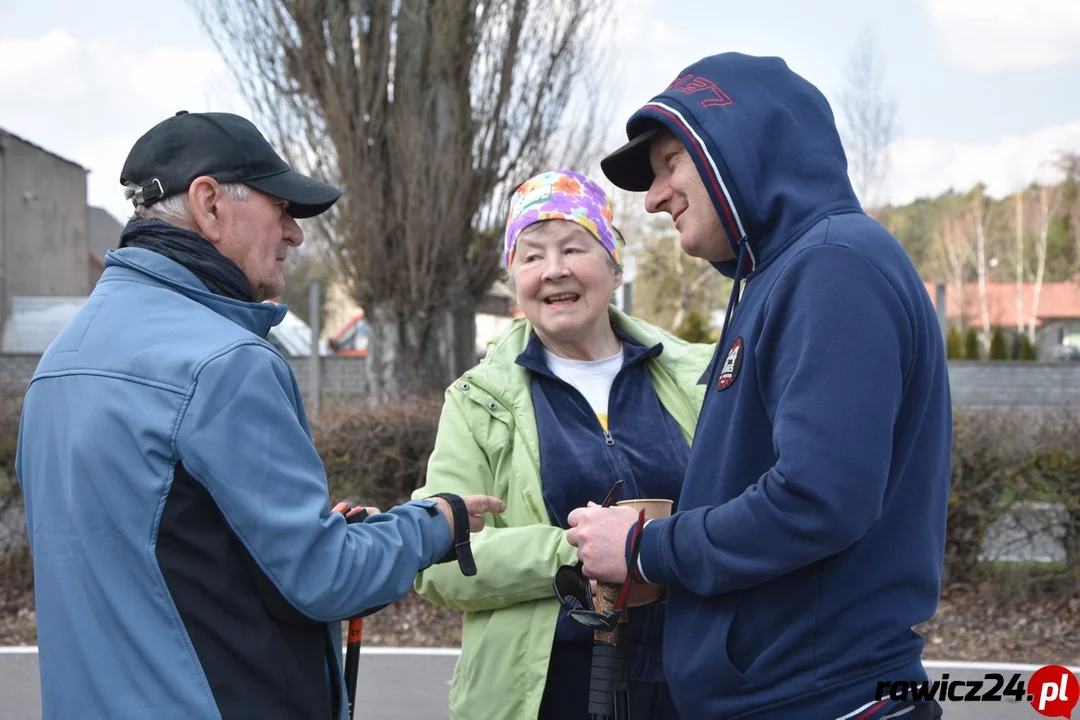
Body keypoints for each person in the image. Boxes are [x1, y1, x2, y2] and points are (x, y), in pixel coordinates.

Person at [15, 110, 504, 720]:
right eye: (282, 208)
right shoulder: (226, 362)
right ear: (209, 204)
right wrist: (436, 522)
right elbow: (326, 577)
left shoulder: (60, 362)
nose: (295, 234)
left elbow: (153, 557)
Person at [566, 53, 951, 720]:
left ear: (742, 146)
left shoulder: (832, 267)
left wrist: (644, 549)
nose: (653, 197)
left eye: (670, 163)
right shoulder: (788, 274)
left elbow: (817, 500)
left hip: (821, 699)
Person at [411, 169, 715, 720]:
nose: (553, 269)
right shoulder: (478, 402)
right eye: (531, 256)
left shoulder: (700, 377)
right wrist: (574, 551)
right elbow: (438, 561)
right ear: (514, 281)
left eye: (574, 248)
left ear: (614, 268)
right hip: (547, 694)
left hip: (693, 680)